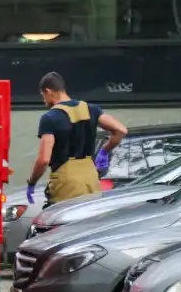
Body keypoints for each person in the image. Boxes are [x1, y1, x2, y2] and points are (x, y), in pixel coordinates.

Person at [25, 72, 128, 208]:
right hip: (91, 178)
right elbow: (121, 130)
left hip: (66, 183)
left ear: (48, 91)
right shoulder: (91, 110)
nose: (44, 100)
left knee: (62, 225)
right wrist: (104, 151)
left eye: (43, 96)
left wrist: (32, 183)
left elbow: (44, 160)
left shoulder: (50, 118)